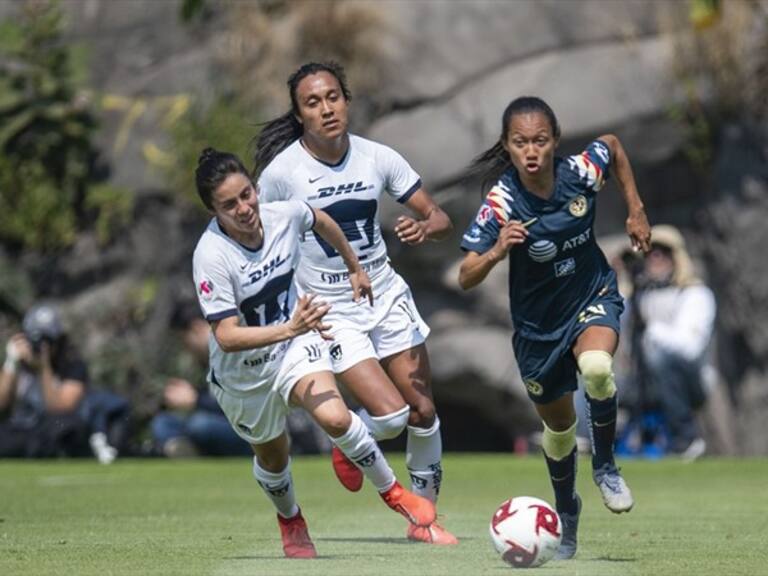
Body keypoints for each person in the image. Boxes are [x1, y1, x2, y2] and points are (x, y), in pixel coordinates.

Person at [192, 147, 436, 559]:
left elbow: (321, 218)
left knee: (336, 417)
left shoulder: (281, 214)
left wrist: (354, 265)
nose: (245, 208)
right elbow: (227, 336)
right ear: (214, 211)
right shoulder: (211, 256)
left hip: (294, 346)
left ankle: (397, 496)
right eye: (229, 205)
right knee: (273, 457)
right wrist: (289, 327)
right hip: (245, 373)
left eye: (247, 194)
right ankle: (291, 520)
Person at [254, 61, 456, 546]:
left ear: (346, 100)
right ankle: (349, 443)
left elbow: (439, 215)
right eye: (313, 102)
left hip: (384, 292)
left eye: (333, 98)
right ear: (299, 114)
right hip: (329, 309)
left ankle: (424, 520)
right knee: (389, 417)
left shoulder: (376, 157)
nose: (326, 109)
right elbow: (257, 240)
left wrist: (424, 227)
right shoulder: (282, 174)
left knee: (423, 411)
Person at [458, 96, 652, 560]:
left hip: (591, 296)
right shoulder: (502, 201)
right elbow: (466, 275)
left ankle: (605, 466)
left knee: (598, 368)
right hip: (537, 328)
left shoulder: (580, 172)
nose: (531, 151)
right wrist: (496, 250)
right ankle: (567, 510)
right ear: (507, 146)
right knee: (560, 431)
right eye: (520, 142)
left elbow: (612, 145)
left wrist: (635, 209)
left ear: (555, 141)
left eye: (540, 141)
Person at [626, 224, 716, 461]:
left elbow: (690, 347)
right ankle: (584, 444)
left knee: (661, 359)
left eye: (662, 252)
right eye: (648, 252)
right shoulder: (640, 296)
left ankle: (685, 440)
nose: (654, 258)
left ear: (676, 257)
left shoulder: (694, 294)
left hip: (689, 379)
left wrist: (651, 329)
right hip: (641, 379)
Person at [0, 304, 90, 458]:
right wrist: (11, 364)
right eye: (34, 338)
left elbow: (59, 409)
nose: (41, 346)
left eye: (47, 340)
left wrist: (43, 369)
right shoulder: (17, 364)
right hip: (20, 429)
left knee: (63, 427)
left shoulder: (72, 366)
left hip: (53, 431)